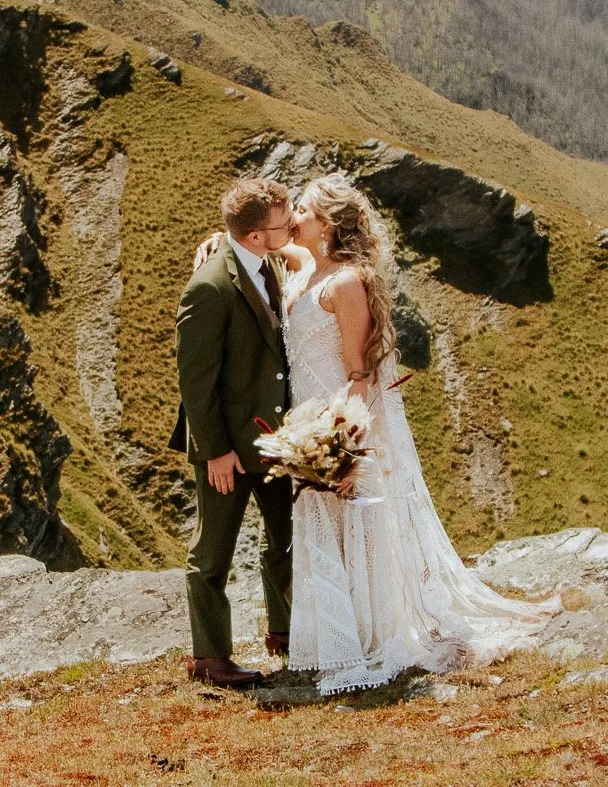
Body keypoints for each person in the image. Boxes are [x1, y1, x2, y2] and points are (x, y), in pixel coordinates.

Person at [194, 172, 555, 695]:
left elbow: (359, 374)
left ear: (328, 225)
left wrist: (343, 446)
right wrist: (218, 240)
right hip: (305, 427)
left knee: (357, 531)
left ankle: (372, 636)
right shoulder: (308, 263)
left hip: (335, 426)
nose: (294, 218)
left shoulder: (346, 282)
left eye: (305, 213)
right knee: (324, 532)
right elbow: (258, 243)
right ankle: (339, 636)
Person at [169, 176, 298, 688]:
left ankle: (286, 634)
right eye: (281, 224)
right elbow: (195, 384)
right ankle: (211, 659)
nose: (290, 227)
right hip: (228, 449)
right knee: (213, 553)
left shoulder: (266, 261)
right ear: (254, 236)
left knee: (286, 542)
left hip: (274, 441)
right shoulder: (208, 287)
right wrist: (218, 452)